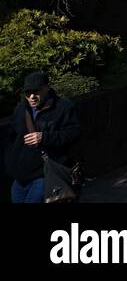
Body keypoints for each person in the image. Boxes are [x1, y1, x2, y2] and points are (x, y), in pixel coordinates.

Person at [7, 72, 81, 204]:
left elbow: (74, 133)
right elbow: (13, 137)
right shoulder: (21, 109)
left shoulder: (63, 107)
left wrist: (44, 137)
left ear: (47, 88)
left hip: (44, 175)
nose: (32, 97)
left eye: (36, 91)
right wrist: (12, 164)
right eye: (27, 93)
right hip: (20, 177)